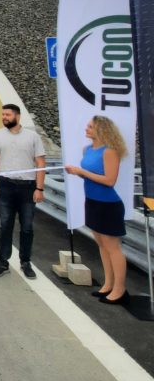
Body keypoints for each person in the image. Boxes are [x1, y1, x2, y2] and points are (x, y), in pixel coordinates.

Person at [65, 116, 129, 305]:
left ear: (101, 130)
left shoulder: (110, 152)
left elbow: (110, 181)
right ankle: (108, 283)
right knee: (101, 245)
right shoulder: (87, 150)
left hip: (108, 205)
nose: (87, 129)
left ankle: (120, 287)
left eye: (90, 127)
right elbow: (90, 176)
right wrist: (77, 172)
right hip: (92, 201)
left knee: (113, 247)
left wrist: (81, 172)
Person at [0, 103, 46, 279]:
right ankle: (3, 261)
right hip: (6, 186)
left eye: (7, 115)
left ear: (17, 116)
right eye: (3, 114)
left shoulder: (33, 137)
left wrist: (39, 188)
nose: (4, 117)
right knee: (5, 225)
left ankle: (25, 262)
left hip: (27, 187)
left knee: (27, 227)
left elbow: (41, 163)